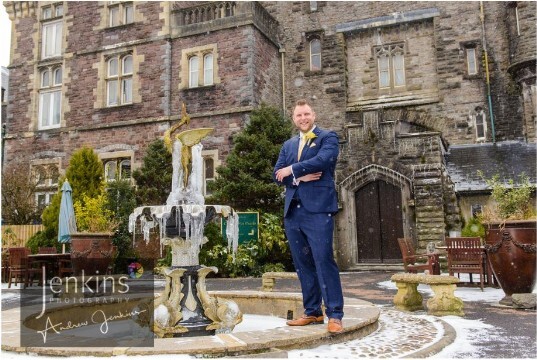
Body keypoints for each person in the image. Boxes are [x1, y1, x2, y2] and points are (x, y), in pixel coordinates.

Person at [273, 99, 344, 334]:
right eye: (298, 116)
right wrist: (299, 177)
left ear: (313, 115)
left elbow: (324, 161)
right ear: (294, 119)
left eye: (306, 114)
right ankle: (312, 312)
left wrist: (293, 170)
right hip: (293, 212)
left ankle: (334, 314)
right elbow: (277, 174)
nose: (302, 118)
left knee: (323, 260)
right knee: (303, 265)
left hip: (318, 210)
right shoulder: (288, 145)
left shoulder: (328, 137)